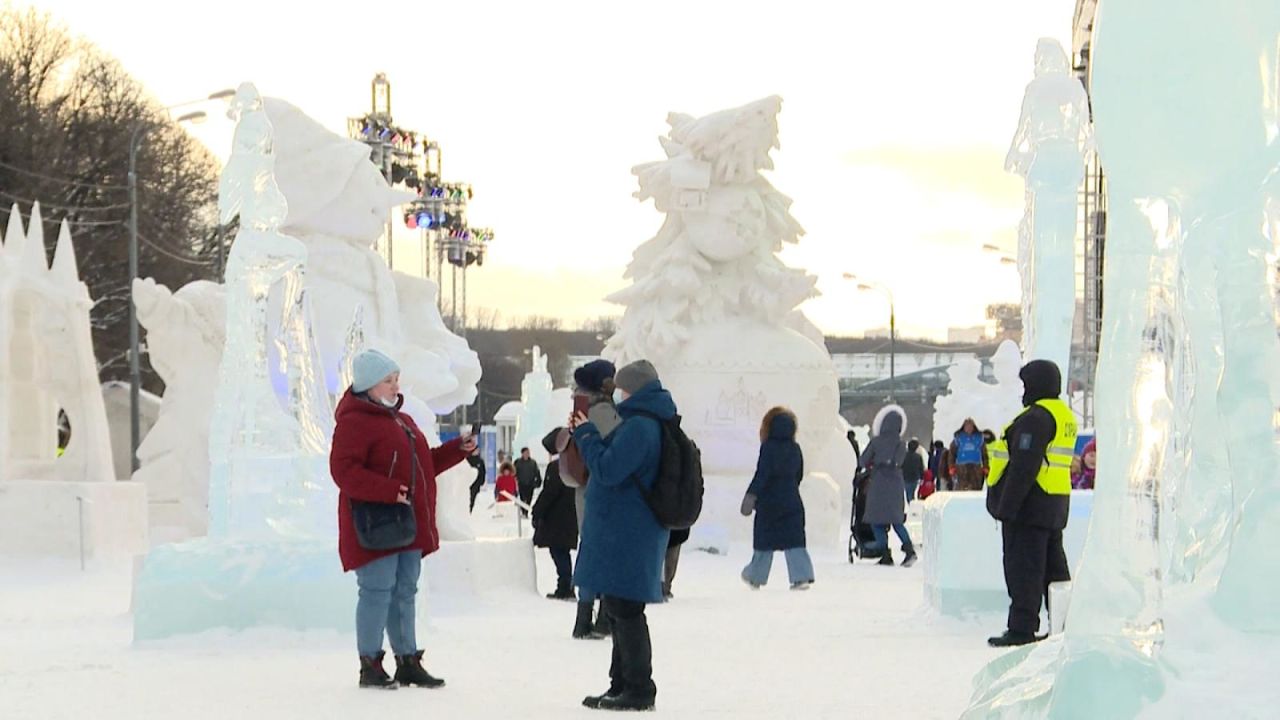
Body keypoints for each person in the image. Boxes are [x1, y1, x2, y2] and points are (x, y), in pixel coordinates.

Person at [330, 349, 474, 689]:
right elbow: (343, 471)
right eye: (388, 381)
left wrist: (458, 450)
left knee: (405, 590)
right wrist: (387, 490)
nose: (396, 386)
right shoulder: (354, 421)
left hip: (407, 523)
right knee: (377, 591)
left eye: (396, 379)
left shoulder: (401, 420)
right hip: (375, 524)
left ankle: (407, 660)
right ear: (368, 385)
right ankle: (370, 664)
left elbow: (424, 465)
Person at [570, 359, 673, 712]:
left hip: (628, 530)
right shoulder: (647, 419)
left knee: (626, 610)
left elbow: (609, 468)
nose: (618, 393)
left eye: (623, 388)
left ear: (633, 389)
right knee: (619, 607)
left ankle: (639, 689)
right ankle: (621, 684)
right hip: (629, 528)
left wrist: (585, 435)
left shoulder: (640, 425)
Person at [985, 359, 1075, 647]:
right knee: (1054, 570)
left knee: (1024, 569)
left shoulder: (1035, 419)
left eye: (1026, 384)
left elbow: (1024, 467)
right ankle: (1064, 625)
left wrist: (1006, 508)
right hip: (1054, 503)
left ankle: (1022, 629)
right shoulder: (1063, 415)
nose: (1023, 389)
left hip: (1029, 506)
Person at [564, 359, 621, 639]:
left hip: (582, 489)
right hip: (603, 489)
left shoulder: (580, 411)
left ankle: (582, 617)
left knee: (587, 549)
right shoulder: (606, 413)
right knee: (607, 553)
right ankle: (604, 618)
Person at [740, 407, 815, 590]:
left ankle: (755, 576)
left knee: (764, 542)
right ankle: (802, 576)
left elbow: (762, 474)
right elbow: (799, 474)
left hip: (769, 503)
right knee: (795, 541)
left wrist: (751, 495)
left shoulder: (768, 447)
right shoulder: (795, 448)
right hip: (792, 501)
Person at [859, 405, 917, 567]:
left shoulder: (875, 442)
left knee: (876, 521)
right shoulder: (901, 444)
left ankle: (885, 553)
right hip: (896, 484)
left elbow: (863, 460)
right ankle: (909, 550)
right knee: (897, 520)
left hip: (878, 484)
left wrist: (874, 463)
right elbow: (899, 461)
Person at [532, 428, 579, 601]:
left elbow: (549, 493)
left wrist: (537, 511)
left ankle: (565, 586)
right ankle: (567, 585)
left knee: (559, 552)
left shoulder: (556, 467)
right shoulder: (576, 462)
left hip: (556, 518)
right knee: (562, 551)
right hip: (572, 515)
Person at [950, 418, 988, 491]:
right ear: (963, 427)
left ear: (974, 427)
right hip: (961, 467)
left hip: (976, 467)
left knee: (976, 488)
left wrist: (986, 466)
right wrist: (951, 466)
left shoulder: (979, 438)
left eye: (971, 426)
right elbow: (952, 454)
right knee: (961, 489)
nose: (969, 428)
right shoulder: (958, 438)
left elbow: (984, 454)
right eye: (967, 426)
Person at [514, 447, 541, 515]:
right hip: (521, 483)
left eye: (528, 453)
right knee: (522, 498)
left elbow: (537, 472)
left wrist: (538, 481)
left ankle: (526, 512)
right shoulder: (518, 462)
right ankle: (523, 511)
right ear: (522, 454)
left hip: (530, 484)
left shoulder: (533, 462)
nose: (527, 454)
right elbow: (514, 472)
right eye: (525, 453)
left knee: (529, 498)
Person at [902, 438, 925, 504]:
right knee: (912, 492)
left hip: (906, 477)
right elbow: (921, 468)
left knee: (908, 493)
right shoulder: (918, 457)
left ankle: (910, 504)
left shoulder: (904, 456)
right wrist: (922, 477)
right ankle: (912, 504)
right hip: (915, 477)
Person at [466, 446, 486, 513]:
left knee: (474, 497)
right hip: (468, 483)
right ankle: (468, 510)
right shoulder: (467, 460)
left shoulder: (480, 461)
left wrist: (482, 481)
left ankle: (471, 509)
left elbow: (483, 471)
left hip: (477, 482)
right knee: (468, 497)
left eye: (477, 450)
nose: (476, 452)